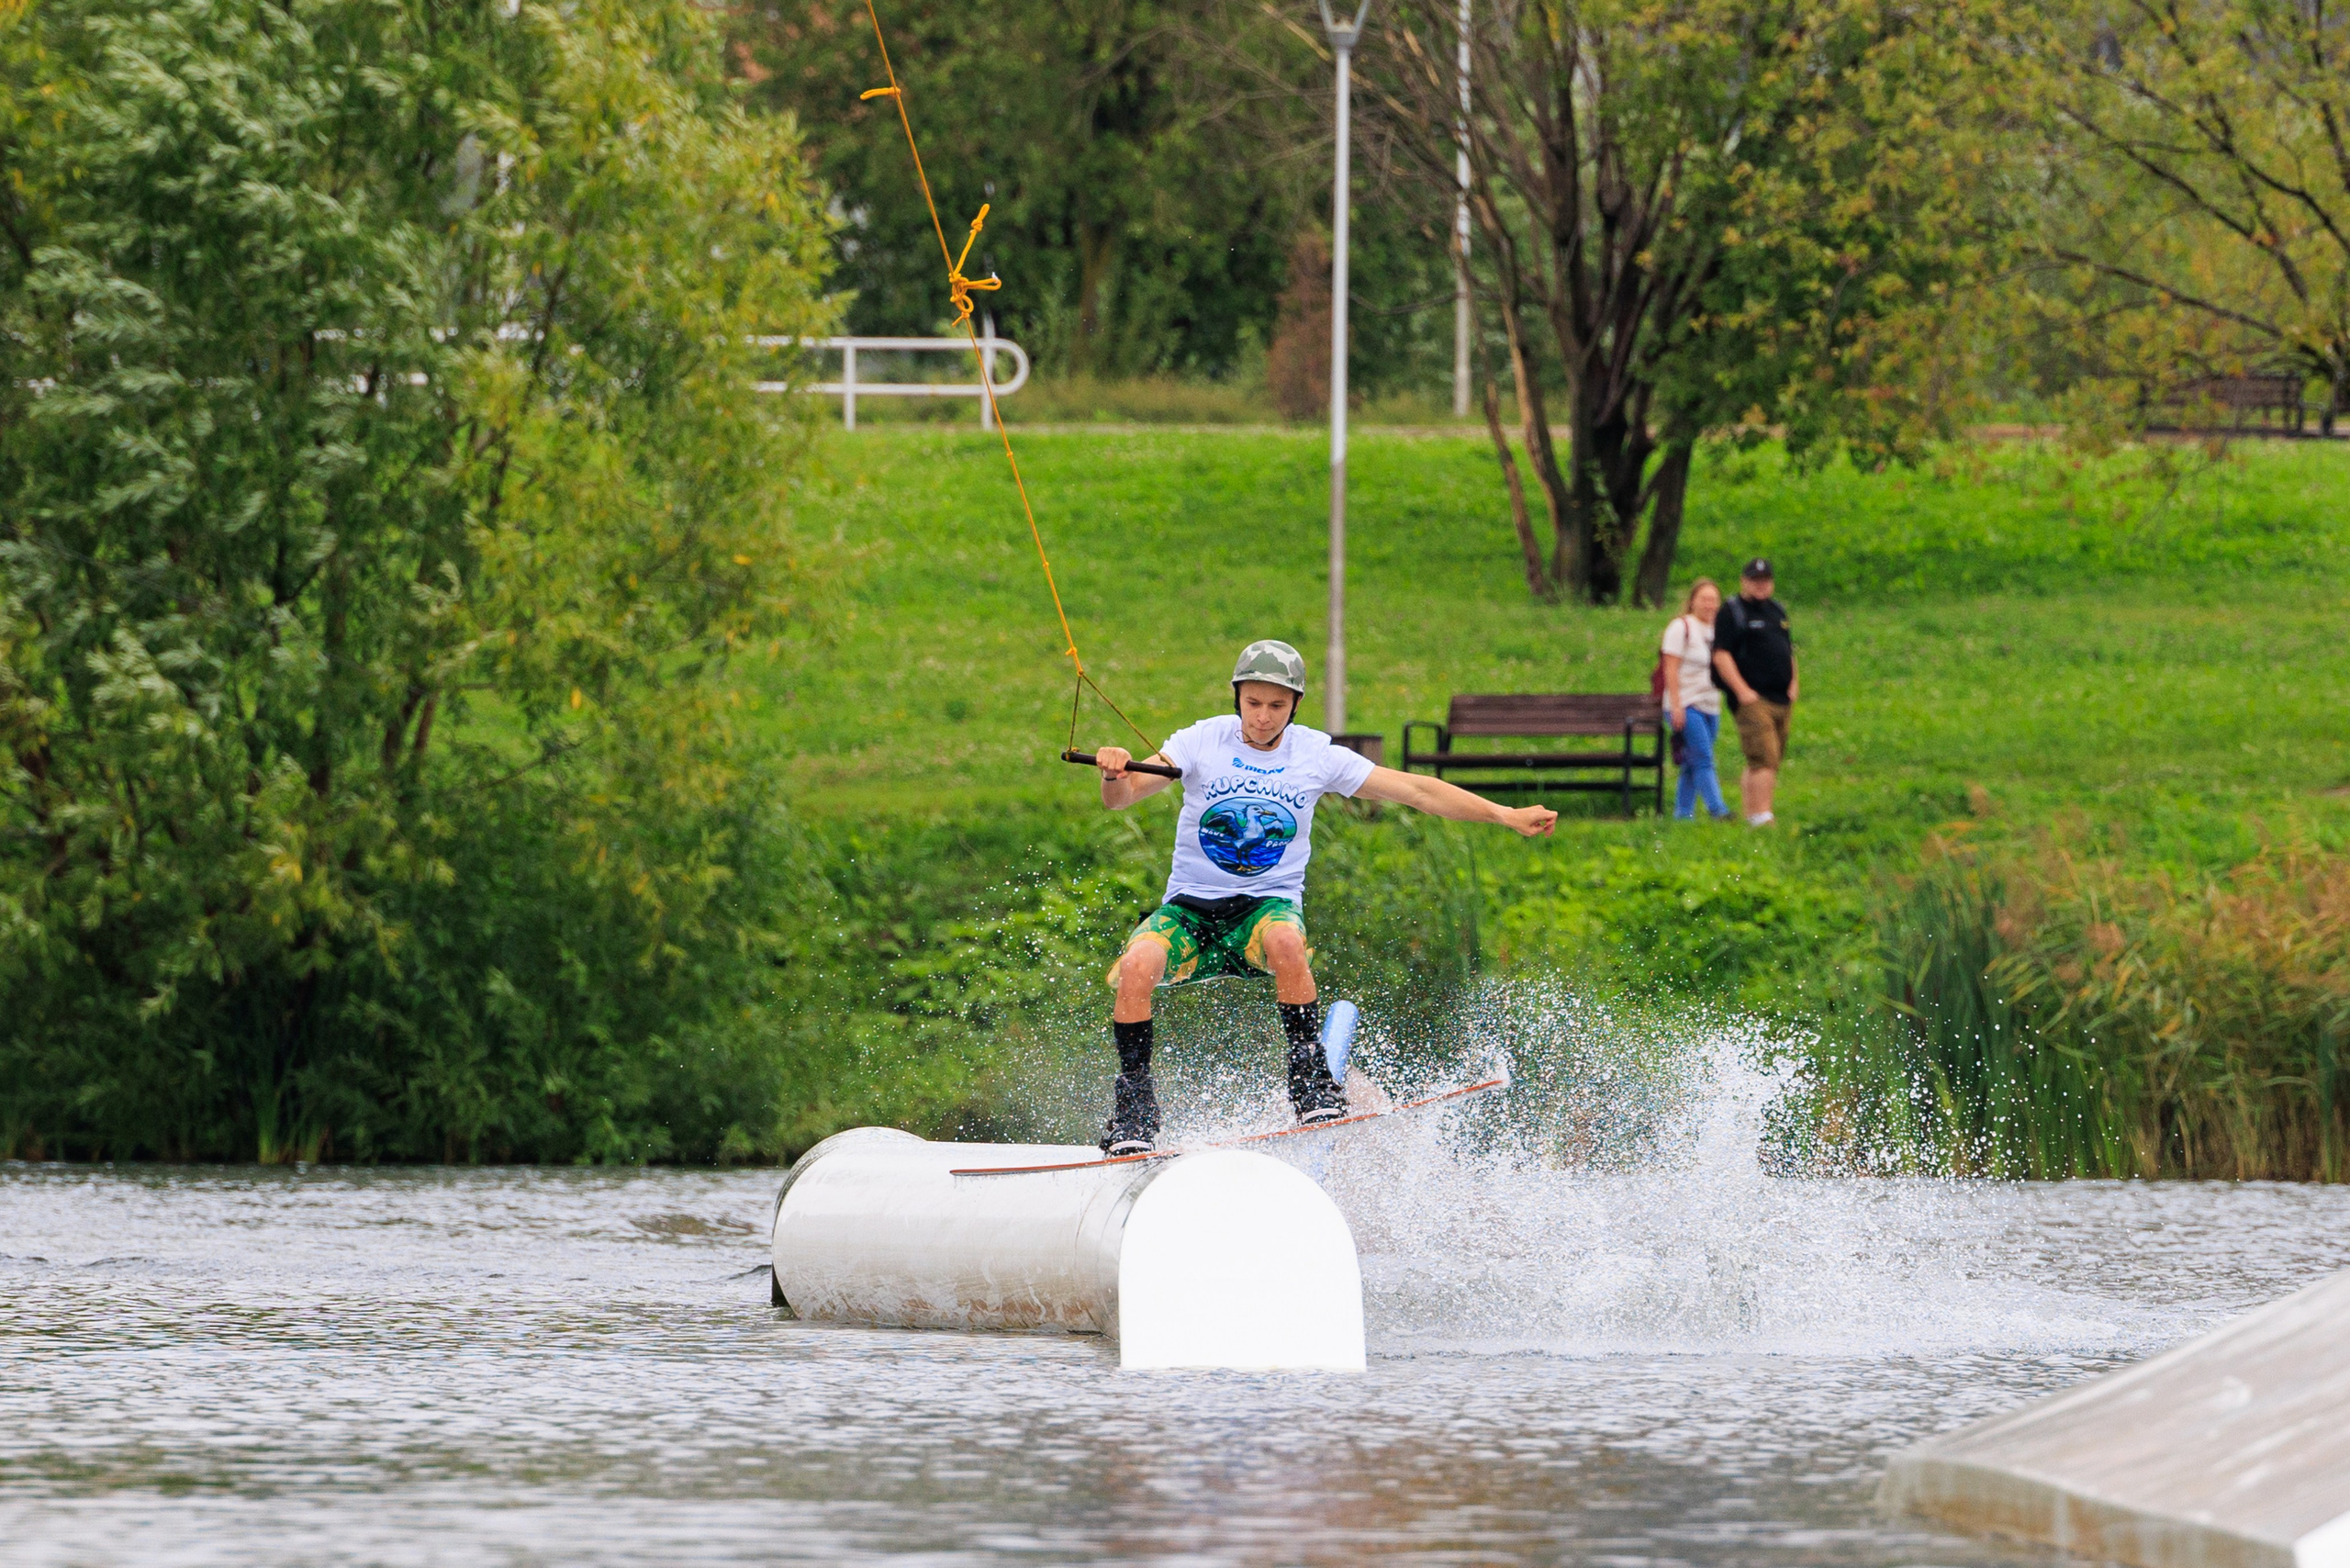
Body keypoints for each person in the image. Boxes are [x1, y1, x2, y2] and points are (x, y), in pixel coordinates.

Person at [1090, 639, 1558, 1155]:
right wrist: (1115, 773)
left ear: (1295, 705)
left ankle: (1311, 1083)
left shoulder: (1314, 754)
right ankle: (1134, 1110)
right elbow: (1122, 798)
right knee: (1136, 965)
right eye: (1253, 703)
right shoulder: (1200, 740)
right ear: (1236, 696)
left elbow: (1418, 791)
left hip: (1266, 907)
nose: (1262, 717)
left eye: (1276, 705)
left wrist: (1504, 814)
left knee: (1286, 943)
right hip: (1190, 908)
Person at [1710, 557, 1798, 827]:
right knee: (1764, 758)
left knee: (1766, 757)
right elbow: (1721, 655)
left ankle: (1751, 814)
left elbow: (1788, 651)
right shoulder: (1732, 611)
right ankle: (1763, 816)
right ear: (1744, 581)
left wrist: (1794, 683)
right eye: (1755, 580)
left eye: (1765, 580)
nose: (1761, 585)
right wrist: (1742, 691)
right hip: (1753, 698)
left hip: (1781, 697)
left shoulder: (1777, 610)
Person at [1661, 579, 1731, 821]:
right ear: (1692, 601)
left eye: (1714, 600)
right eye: (1704, 599)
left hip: (1711, 704)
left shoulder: (1719, 630)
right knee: (1703, 757)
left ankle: (1682, 814)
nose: (1709, 605)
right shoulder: (1681, 627)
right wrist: (1676, 706)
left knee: (1692, 762)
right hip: (1686, 704)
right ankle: (1718, 810)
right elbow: (1670, 668)